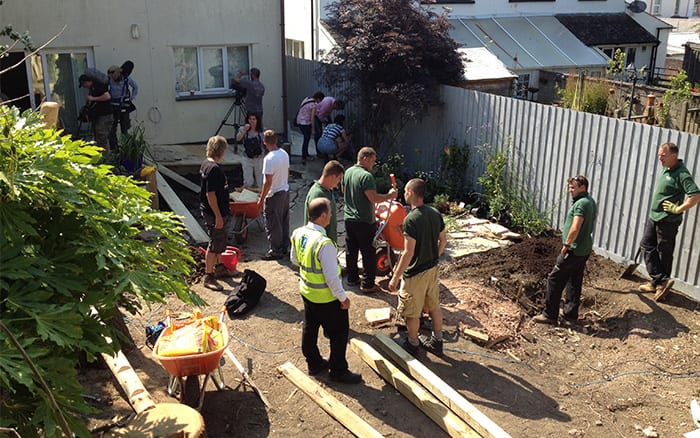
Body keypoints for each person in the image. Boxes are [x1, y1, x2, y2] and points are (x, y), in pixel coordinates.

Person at [291, 197, 362, 384]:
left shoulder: (298, 233)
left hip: (307, 292)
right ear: (323, 216)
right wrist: (343, 298)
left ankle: (314, 363)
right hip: (326, 298)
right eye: (330, 212)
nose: (332, 215)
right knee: (339, 332)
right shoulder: (325, 244)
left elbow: (294, 260)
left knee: (310, 328)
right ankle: (338, 370)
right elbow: (331, 278)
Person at [388, 178, 447, 357]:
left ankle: (413, 344)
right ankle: (437, 341)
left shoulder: (411, 219)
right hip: (432, 269)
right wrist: (434, 257)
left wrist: (395, 277)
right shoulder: (434, 213)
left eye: (405, 191)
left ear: (411, 193)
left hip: (416, 273)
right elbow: (443, 239)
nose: (404, 194)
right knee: (434, 306)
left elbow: (408, 253)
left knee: (411, 312)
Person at [638, 142, 700, 301]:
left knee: (664, 251)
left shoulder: (682, 174)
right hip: (655, 216)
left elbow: (695, 195)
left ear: (674, 156)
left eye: (663, 155)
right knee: (646, 245)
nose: (660, 158)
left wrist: (678, 209)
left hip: (668, 220)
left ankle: (659, 283)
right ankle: (659, 281)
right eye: (659, 155)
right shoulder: (667, 168)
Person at [534, 175, 597, 324]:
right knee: (575, 279)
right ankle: (570, 314)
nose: (570, 190)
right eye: (569, 187)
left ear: (583, 187)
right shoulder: (590, 201)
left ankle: (549, 315)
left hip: (574, 249)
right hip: (584, 248)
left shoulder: (581, 204)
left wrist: (567, 245)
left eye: (573, 187)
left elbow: (576, 227)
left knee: (554, 278)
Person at [342, 147, 397, 293]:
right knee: (368, 253)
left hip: (349, 218)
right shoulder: (366, 177)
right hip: (364, 220)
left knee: (351, 250)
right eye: (372, 161)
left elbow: (343, 190)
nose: (373, 165)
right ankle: (368, 284)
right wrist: (389, 196)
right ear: (364, 159)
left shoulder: (348, 172)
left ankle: (352, 277)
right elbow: (373, 198)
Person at [199, 135, 237, 291]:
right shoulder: (214, 169)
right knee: (214, 244)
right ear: (220, 150)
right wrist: (218, 217)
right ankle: (209, 276)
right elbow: (210, 194)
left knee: (220, 241)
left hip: (212, 211)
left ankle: (220, 268)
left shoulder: (205, 164)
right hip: (215, 214)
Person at [257, 130, 290, 260]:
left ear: (264, 142)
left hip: (274, 194)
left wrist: (261, 199)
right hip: (285, 191)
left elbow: (268, 182)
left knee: (273, 223)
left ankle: (275, 250)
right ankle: (284, 247)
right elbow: (287, 172)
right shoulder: (284, 154)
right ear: (276, 140)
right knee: (283, 221)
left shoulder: (269, 159)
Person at [304, 160, 345, 243]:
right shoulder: (317, 194)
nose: (339, 182)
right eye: (339, 178)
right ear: (333, 176)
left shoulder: (328, 191)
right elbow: (315, 224)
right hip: (320, 245)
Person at [78, 70, 113, 152]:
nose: (84, 87)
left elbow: (107, 96)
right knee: (98, 137)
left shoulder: (98, 86)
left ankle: (106, 157)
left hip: (105, 116)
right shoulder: (92, 89)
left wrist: (93, 98)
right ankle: (101, 155)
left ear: (87, 81)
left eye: (84, 85)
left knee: (102, 137)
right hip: (99, 116)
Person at [107, 64, 139, 151]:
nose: (113, 79)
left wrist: (132, 97)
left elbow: (136, 87)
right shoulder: (109, 79)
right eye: (111, 77)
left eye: (114, 76)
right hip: (113, 107)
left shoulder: (126, 79)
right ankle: (114, 149)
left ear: (118, 73)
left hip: (124, 106)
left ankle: (126, 148)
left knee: (124, 128)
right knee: (112, 129)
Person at [235, 113, 264, 188]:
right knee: (248, 181)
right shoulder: (242, 129)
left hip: (259, 157)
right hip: (247, 157)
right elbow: (238, 139)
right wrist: (244, 130)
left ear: (257, 120)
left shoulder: (261, 131)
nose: (252, 121)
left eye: (254, 119)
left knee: (260, 179)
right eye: (250, 119)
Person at [295, 92, 324, 164]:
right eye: (320, 100)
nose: (320, 102)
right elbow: (312, 118)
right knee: (306, 139)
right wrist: (313, 129)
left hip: (299, 121)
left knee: (306, 139)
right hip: (306, 123)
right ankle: (304, 156)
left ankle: (305, 155)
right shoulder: (313, 105)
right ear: (318, 98)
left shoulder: (306, 99)